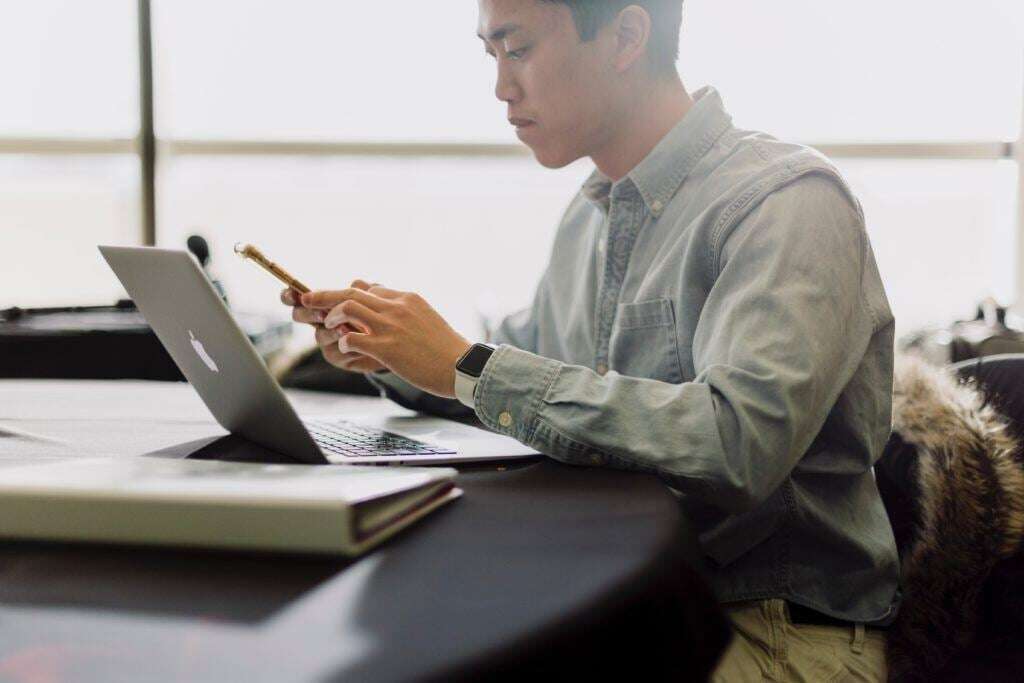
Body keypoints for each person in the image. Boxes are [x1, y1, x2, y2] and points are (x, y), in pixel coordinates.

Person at [283, 1, 899, 679]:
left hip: (768, 624)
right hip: (627, 597)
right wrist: (395, 353)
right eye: (491, 56)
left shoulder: (786, 203)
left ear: (627, 36)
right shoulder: (589, 217)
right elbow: (516, 380)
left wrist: (467, 365)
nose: (501, 88)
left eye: (517, 49)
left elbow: (737, 442)